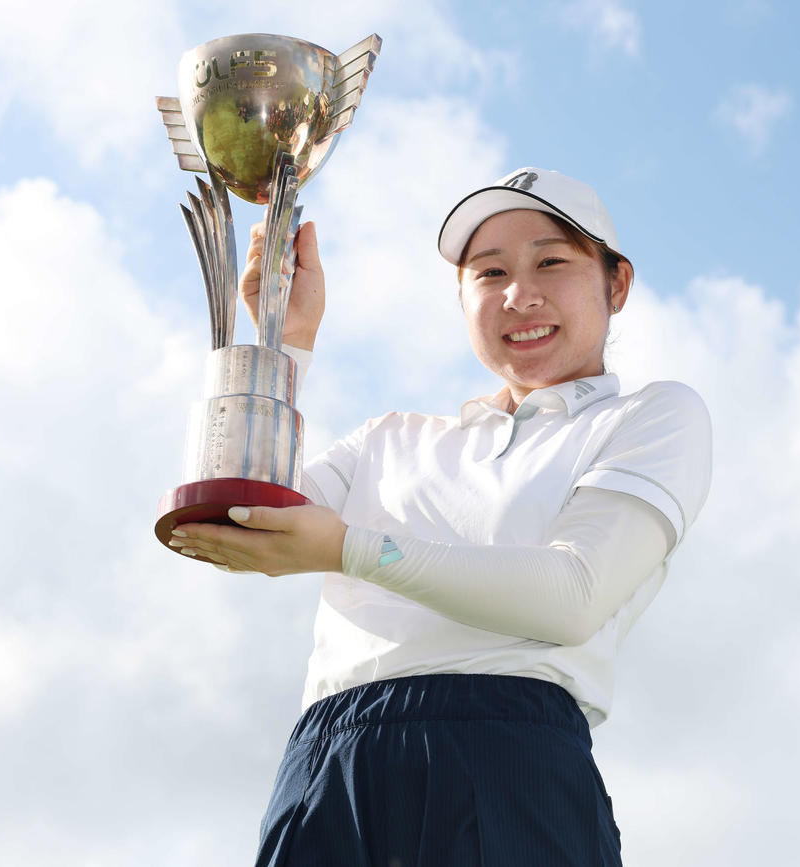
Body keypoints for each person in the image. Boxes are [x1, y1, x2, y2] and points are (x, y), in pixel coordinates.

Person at [170, 167, 713, 866]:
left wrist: (351, 550)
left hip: (512, 756)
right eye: (488, 273)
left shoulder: (651, 416)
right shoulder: (388, 439)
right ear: (461, 299)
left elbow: (573, 595)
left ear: (617, 284)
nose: (519, 294)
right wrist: (283, 338)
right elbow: (227, 510)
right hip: (327, 762)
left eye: (551, 260)